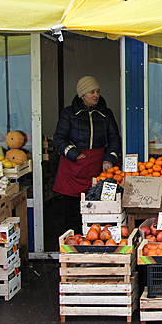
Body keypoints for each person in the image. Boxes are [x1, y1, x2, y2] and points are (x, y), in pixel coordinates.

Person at [53, 76, 122, 233]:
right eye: (92, 92)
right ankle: (73, 241)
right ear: (82, 95)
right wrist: (74, 154)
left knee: (98, 208)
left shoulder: (106, 113)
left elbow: (114, 139)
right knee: (72, 210)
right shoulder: (69, 113)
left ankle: (96, 239)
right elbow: (59, 138)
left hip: (98, 166)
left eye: (97, 91)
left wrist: (110, 158)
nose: (96, 95)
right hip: (73, 167)